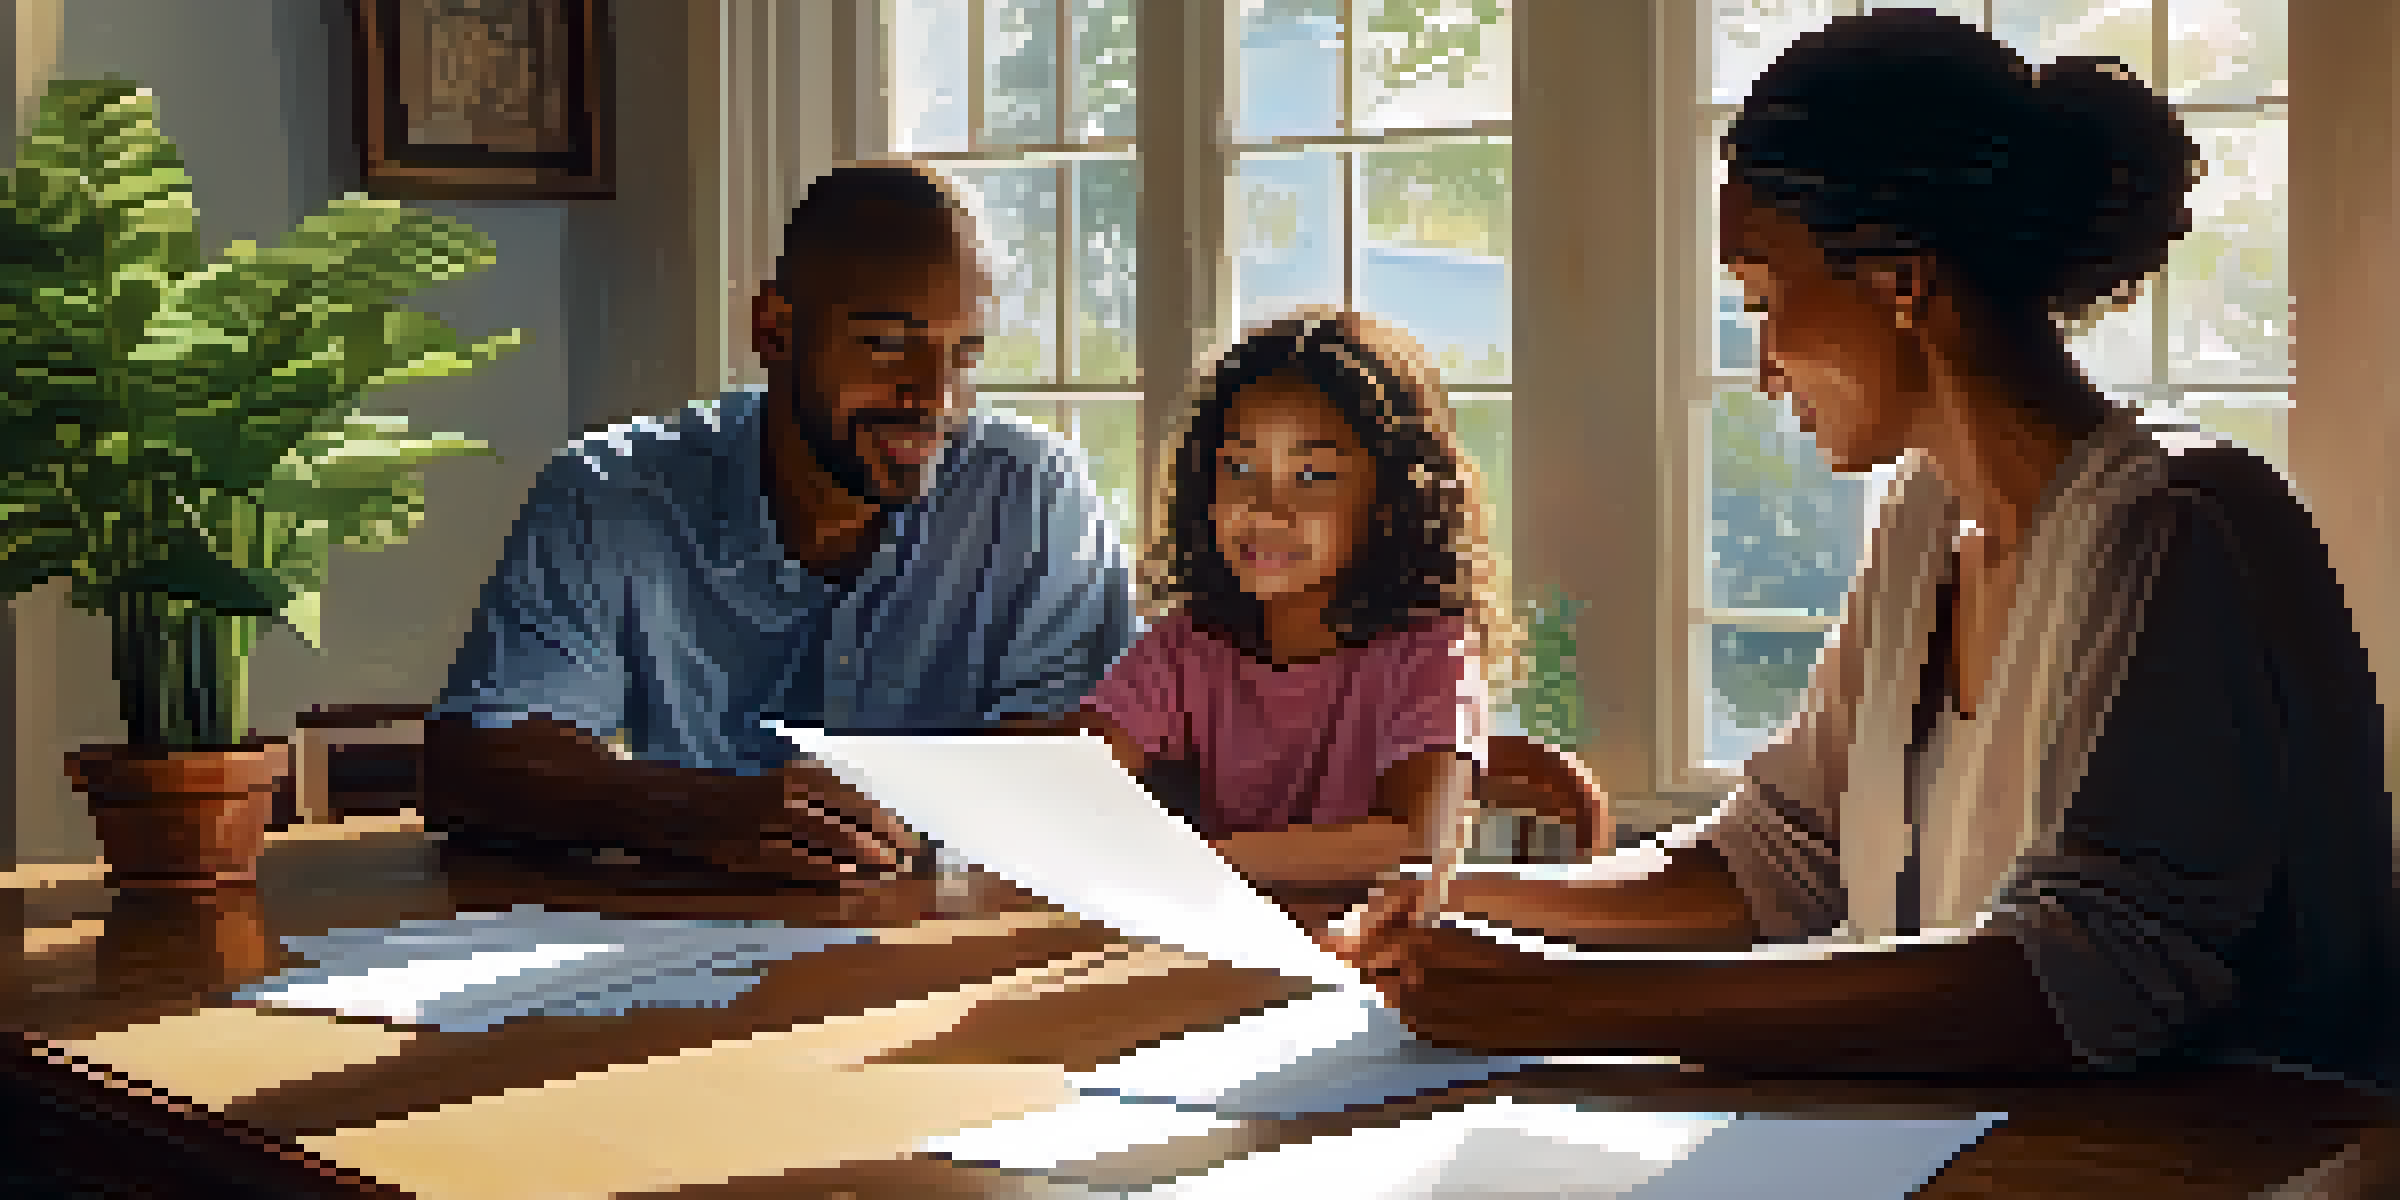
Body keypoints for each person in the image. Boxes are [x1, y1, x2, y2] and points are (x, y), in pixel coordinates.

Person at [1335, 9, 2392, 1086]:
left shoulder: (2170, 525)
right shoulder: (1926, 519)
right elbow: (1780, 859)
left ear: (1898, 278)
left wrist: (1571, 1002)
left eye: (1763, 296)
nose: (1764, 366)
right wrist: (1462, 896)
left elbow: (2085, 976)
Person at [421, 164, 1138, 884]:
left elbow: (1077, 767)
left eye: (966, 352)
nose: (937, 397)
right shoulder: (609, 494)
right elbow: (473, 768)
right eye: (889, 345)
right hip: (681, 952)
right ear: (775, 329)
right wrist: (699, 812)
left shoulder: (1034, 494)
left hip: (954, 959)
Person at [1073, 310, 1527, 889]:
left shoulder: (1430, 655)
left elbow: (1417, 841)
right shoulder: (1185, 647)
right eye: (1238, 467)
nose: (1265, 507)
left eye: (1311, 476)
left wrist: (1186, 861)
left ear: (1390, 499)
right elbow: (1072, 778)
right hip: (1221, 957)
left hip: (1371, 967)